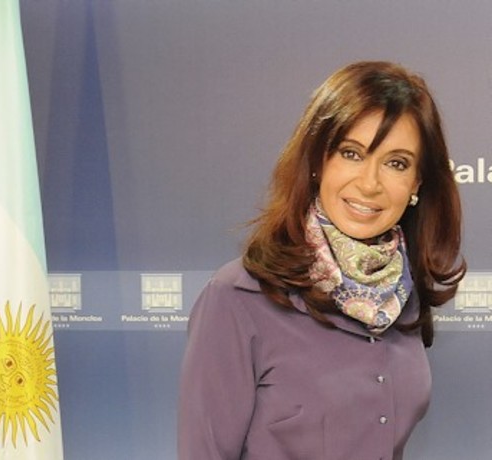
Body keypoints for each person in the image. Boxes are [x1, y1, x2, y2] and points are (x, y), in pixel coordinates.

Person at [177, 61, 466, 460]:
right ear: (317, 161)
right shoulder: (238, 298)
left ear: (417, 182)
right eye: (351, 153)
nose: (370, 183)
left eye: (396, 163)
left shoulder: (402, 293)